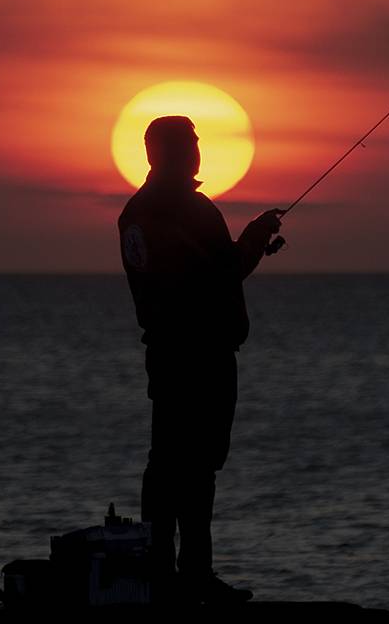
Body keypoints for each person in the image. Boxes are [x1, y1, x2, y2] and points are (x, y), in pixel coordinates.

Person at [118, 116, 282, 604]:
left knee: (169, 465)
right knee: (192, 468)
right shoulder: (187, 209)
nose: (197, 151)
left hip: (170, 353)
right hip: (199, 356)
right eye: (189, 143)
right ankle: (190, 577)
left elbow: (208, 272)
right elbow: (220, 274)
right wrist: (253, 238)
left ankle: (165, 573)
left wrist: (247, 249)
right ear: (163, 152)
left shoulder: (136, 212)